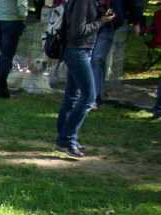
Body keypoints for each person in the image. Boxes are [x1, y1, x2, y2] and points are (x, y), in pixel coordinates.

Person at [56, 0, 115, 158]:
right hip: (77, 51)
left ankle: (64, 141)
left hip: (80, 50)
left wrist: (101, 13)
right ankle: (67, 139)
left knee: (72, 97)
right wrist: (101, 22)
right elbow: (78, 30)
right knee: (88, 97)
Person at [90, 0, 142, 108]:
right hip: (87, 19)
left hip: (109, 21)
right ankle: (90, 94)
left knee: (97, 58)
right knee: (90, 58)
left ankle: (94, 97)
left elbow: (134, 2)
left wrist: (136, 22)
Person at [0, 0, 27, 99]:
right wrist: (23, 17)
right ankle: (1, 89)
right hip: (11, 20)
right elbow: (21, 4)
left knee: (4, 55)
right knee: (7, 57)